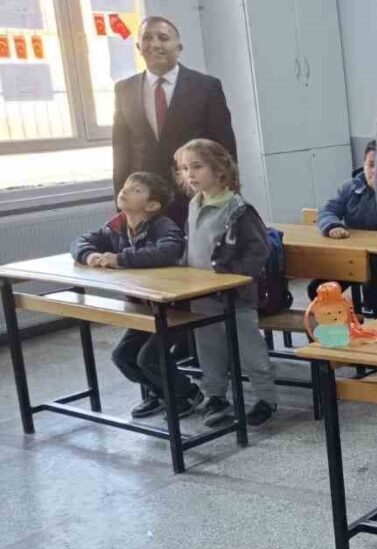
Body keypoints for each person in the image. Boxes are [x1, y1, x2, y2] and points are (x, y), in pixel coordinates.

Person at [71, 172, 202, 419]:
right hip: (145, 308)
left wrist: (120, 259)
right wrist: (89, 255)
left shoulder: (162, 225)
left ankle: (186, 394)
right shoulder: (118, 225)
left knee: (148, 358)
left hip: (175, 307)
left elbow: (168, 251)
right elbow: (81, 241)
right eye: (126, 186)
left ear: (152, 206)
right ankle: (161, 393)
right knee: (122, 357)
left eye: (136, 190)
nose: (125, 191)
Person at [176, 139, 277, 428]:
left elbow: (259, 250)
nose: (190, 174)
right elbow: (192, 246)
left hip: (234, 296)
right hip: (201, 295)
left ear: (219, 170)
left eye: (197, 166)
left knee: (250, 350)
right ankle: (217, 396)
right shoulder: (194, 204)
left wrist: (233, 277)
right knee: (209, 349)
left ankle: (266, 399)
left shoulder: (238, 209)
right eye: (185, 168)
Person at [112, 16, 236, 229]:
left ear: (179, 48)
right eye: (147, 38)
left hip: (196, 195)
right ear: (138, 47)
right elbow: (121, 151)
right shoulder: (124, 90)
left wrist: (228, 194)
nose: (155, 44)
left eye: (163, 38)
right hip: (145, 202)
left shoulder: (206, 87)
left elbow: (224, 148)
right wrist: (121, 205)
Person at [310, 142, 377, 318]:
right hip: (354, 258)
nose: (375, 171)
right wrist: (333, 226)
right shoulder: (351, 188)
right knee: (317, 288)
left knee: (374, 287)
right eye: (371, 165)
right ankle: (341, 324)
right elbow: (327, 211)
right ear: (363, 165)